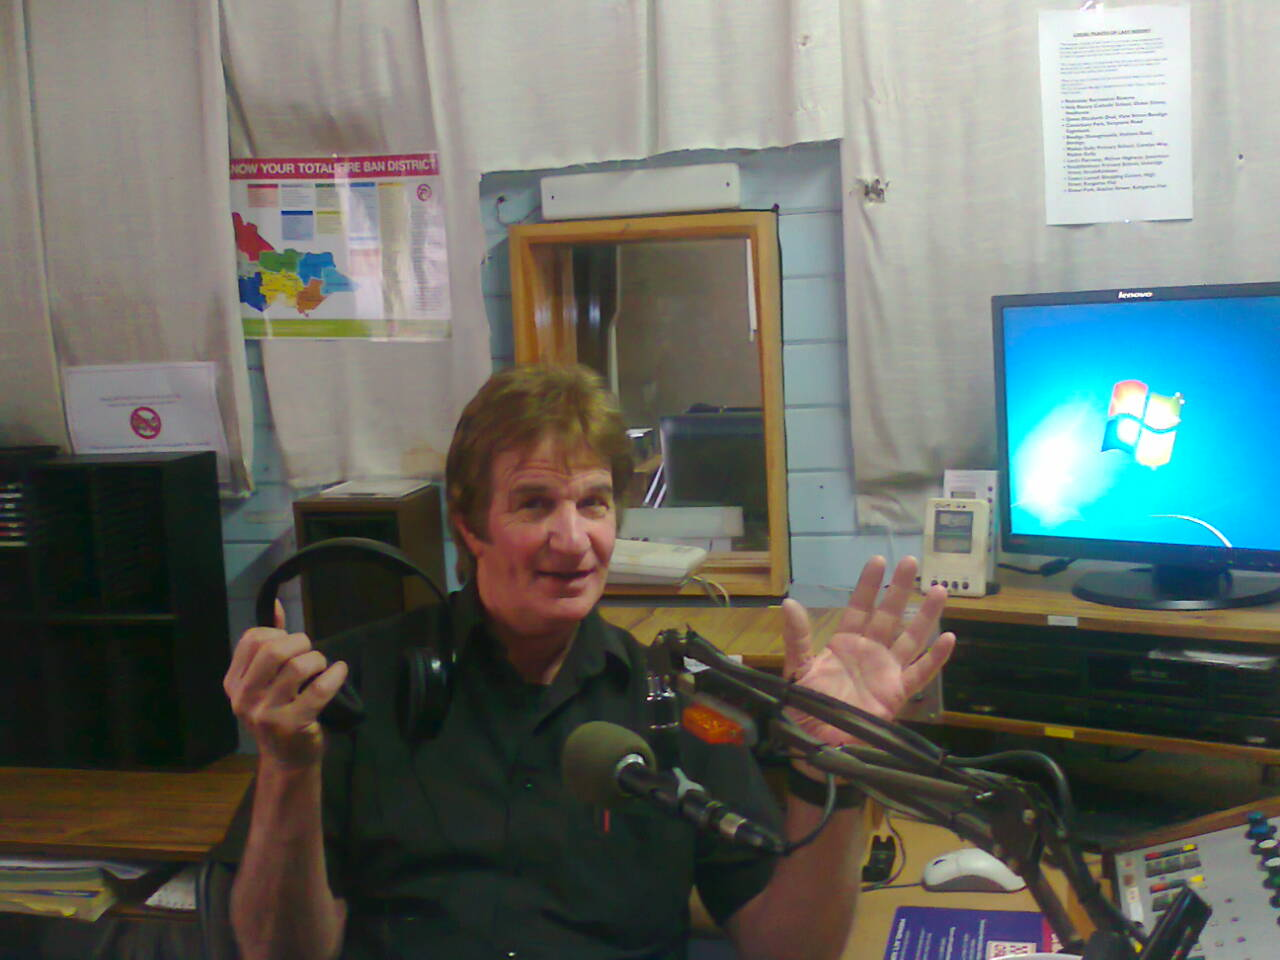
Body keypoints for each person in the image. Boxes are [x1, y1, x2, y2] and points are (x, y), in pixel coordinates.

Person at [220, 363, 955, 960]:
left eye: (594, 504)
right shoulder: (350, 689)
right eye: (535, 504)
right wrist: (287, 766)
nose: (573, 540)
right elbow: (276, 953)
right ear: (469, 526)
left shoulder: (682, 706)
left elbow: (790, 950)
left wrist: (832, 769)